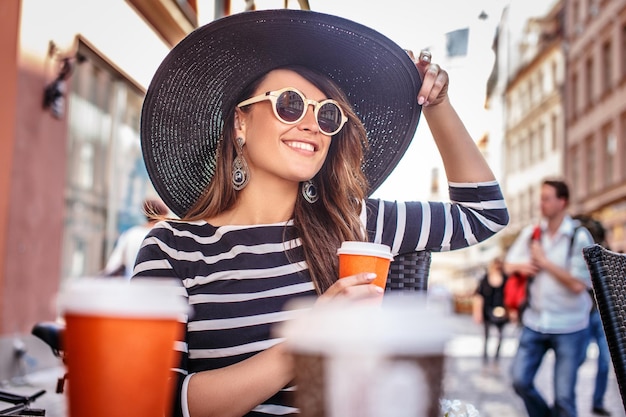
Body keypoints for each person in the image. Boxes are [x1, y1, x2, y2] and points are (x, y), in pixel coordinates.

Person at [133, 9, 509, 417]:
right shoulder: (172, 249)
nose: (312, 124)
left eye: (326, 113)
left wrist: (436, 106)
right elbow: (151, 401)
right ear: (240, 121)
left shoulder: (355, 223)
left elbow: (484, 212)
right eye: (290, 105)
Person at [504, 179, 594, 417]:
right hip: (535, 321)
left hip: (570, 325)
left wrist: (544, 262)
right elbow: (508, 264)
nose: (540, 204)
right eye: (540, 198)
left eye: (546, 198)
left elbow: (578, 284)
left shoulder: (579, 236)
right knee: (520, 381)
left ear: (561, 202)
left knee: (564, 397)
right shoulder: (532, 233)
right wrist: (523, 266)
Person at [574, 215, 612, 416]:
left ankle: (596, 401)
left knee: (605, 360)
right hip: (584, 313)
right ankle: (566, 398)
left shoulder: (606, 253)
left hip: (601, 315)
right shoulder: (579, 251)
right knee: (577, 358)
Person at [102, 198, 169, 278]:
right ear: (162, 215)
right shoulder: (165, 236)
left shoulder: (131, 234)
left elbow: (113, 265)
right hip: (158, 287)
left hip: (133, 285)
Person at [473, 257, 509, 364]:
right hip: (487, 311)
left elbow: (509, 295)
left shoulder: (506, 278)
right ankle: (485, 357)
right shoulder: (485, 279)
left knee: (501, 336)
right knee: (486, 336)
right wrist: (477, 313)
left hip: (502, 311)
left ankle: (497, 356)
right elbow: (479, 297)